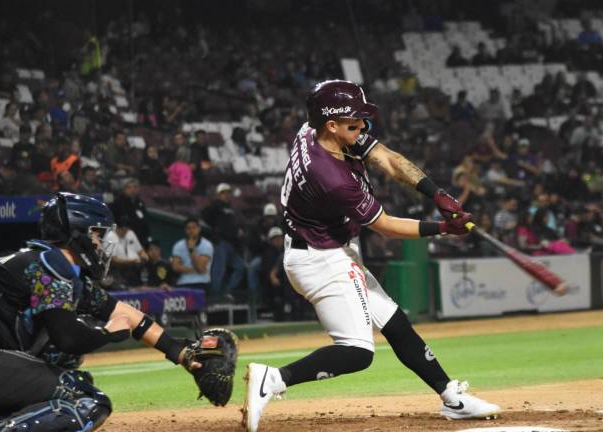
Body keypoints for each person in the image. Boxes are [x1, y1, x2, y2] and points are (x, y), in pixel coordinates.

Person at [242, 80, 499, 432]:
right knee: (359, 352)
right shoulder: (330, 176)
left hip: (327, 249)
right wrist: (443, 228)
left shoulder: (316, 129)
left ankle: (451, 398)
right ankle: (273, 378)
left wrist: (435, 193)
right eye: (354, 122)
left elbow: (388, 160)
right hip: (321, 259)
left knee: (394, 321)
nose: (362, 127)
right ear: (331, 125)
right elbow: (387, 226)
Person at [0, 193, 203, 431]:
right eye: (98, 235)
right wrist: (107, 333)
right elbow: (68, 338)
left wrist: (183, 354)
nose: (101, 244)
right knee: (87, 401)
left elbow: (126, 313)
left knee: (72, 375)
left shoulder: (47, 263)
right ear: (79, 233)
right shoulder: (49, 267)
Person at [202, 183, 246, 301]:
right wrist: (216, 232)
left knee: (241, 266)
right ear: (219, 194)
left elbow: (231, 225)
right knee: (218, 271)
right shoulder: (216, 206)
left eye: (228, 193)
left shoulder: (231, 209)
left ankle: (227, 291)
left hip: (232, 244)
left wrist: (237, 232)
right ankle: (215, 296)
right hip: (221, 243)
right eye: (224, 193)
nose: (227, 195)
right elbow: (205, 216)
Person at [171, 217, 214, 291]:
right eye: (188, 228)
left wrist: (191, 250)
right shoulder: (178, 245)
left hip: (201, 282)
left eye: (194, 227)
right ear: (185, 230)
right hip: (182, 283)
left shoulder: (207, 245)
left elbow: (200, 268)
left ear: (199, 229)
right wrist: (193, 270)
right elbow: (175, 267)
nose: (191, 230)